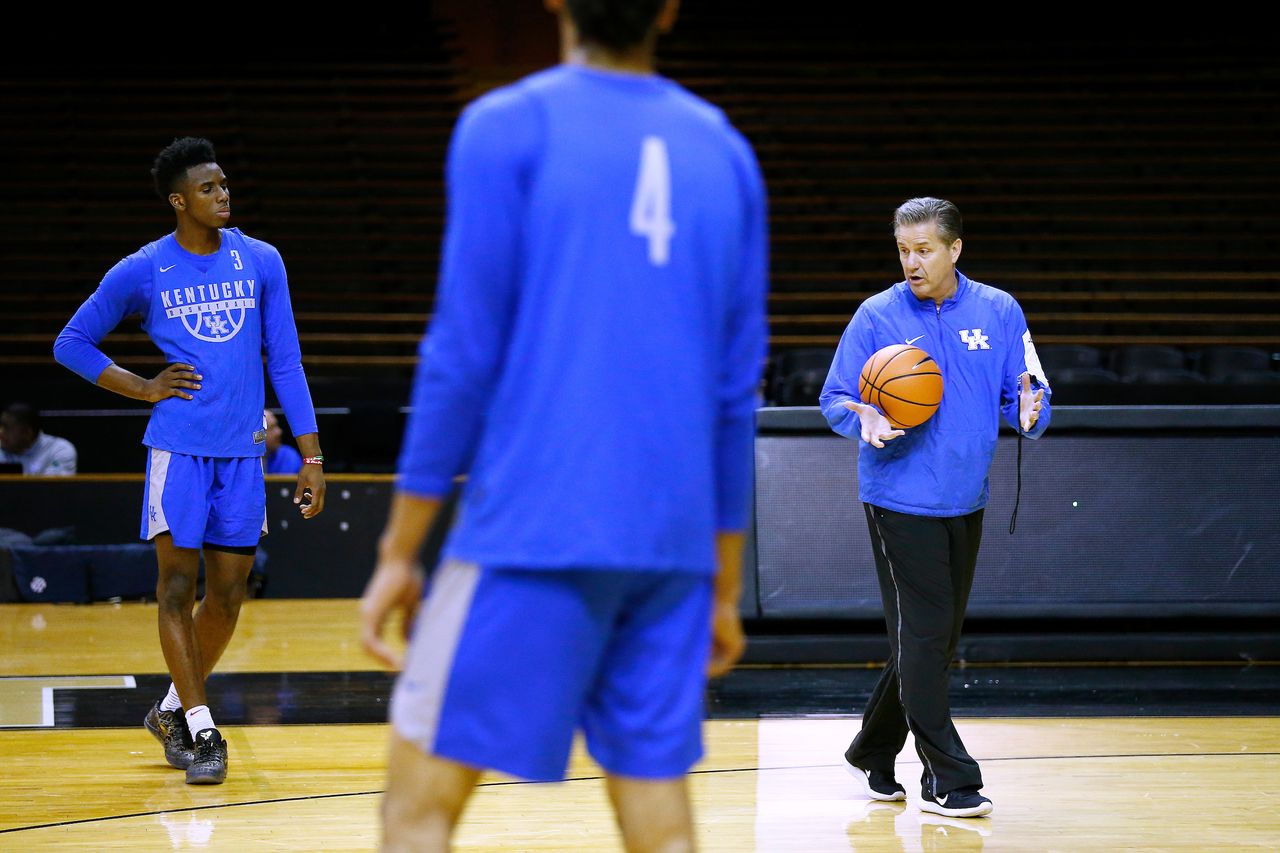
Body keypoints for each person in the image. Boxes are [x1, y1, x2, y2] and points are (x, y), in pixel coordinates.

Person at [357, 0, 768, 850]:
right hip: (669, 546)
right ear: (669, 9)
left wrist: (401, 549)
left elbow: (461, 356)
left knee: (416, 811)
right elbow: (735, 395)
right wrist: (722, 583)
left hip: (533, 533)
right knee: (662, 825)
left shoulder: (505, 125)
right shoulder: (726, 152)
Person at [53, 137, 326, 785]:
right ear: (179, 200)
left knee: (228, 596)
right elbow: (72, 342)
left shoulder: (261, 260)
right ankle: (203, 729)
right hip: (177, 450)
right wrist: (143, 387)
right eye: (208, 188)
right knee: (176, 589)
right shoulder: (145, 269)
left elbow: (283, 360)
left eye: (225, 184)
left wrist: (310, 454)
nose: (222, 194)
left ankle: (173, 709)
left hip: (243, 455)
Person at [819, 197, 1050, 819]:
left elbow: (1027, 390)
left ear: (954, 249)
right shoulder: (876, 314)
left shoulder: (999, 310)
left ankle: (873, 748)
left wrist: (1031, 412)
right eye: (902, 250)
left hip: (966, 496)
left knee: (931, 640)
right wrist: (862, 416)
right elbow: (835, 397)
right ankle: (948, 776)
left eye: (923, 250)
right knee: (926, 637)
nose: (911, 262)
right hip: (898, 498)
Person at [0, 403, 77, 475]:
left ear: (26, 433)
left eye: (6, 427)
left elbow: (55, 487)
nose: (1, 432)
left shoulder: (59, 450)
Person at [263, 410, 303, 474]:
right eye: (272, 428)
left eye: (277, 425)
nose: (279, 432)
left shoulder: (288, 457)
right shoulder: (244, 461)